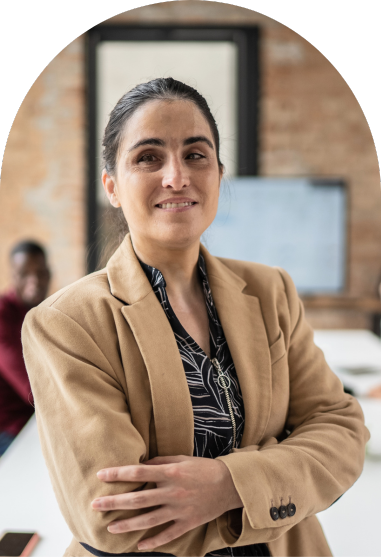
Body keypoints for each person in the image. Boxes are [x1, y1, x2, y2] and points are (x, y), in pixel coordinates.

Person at [22, 78, 369, 558]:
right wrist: (281, 479)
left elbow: (342, 430)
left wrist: (227, 484)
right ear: (113, 187)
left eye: (195, 154)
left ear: (219, 173)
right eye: (148, 157)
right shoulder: (67, 324)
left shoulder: (271, 292)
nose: (176, 177)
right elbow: (116, 518)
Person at [0, 241, 50, 456]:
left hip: (37, 424)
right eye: (24, 273)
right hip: (11, 430)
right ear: (13, 276)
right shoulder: (3, 315)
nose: (34, 281)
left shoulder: (49, 312)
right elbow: (31, 388)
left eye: (40, 272)